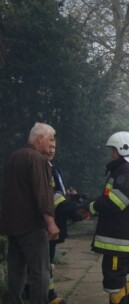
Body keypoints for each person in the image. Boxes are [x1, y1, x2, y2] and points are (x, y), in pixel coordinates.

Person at [0, 122, 60, 304]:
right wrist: (50, 222)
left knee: (16, 270)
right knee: (40, 271)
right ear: (40, 138)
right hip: (32, 226)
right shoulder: (38, 160)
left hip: (13, 225)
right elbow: (42, 193)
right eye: (50, 140)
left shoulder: (15, 157)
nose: (51, 145)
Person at [88, 131, 129, 304]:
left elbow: (117, 201)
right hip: (128, 235)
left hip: (119, 239)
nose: (112, 154)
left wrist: (92, 206)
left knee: (115, 283)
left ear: (123, 149)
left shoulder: (127, 170)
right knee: (128, 278)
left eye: (113, 150)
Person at [45, 144, 89, 304]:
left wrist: (68, 195)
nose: (51, 150)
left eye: (54, 146)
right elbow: (50, 195)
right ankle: (49, 296)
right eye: (48, 146)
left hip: (56, 217)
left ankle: (39, 292)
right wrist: (74, 209)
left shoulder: (53, 165)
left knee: (48, 258)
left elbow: (57, 190)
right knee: (46, 260)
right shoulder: (41, 166)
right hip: (47, 220)